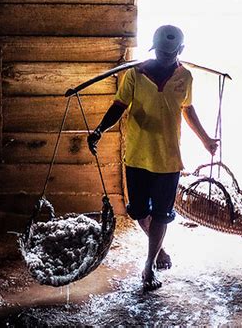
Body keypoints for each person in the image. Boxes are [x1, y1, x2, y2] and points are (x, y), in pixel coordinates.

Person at [87, 24, 218, 292]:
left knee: (161, 214)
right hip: (137, 154)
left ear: (180, 51)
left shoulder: (186, 78)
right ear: (153, 48)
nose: (164, 57)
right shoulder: (136, 73)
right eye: (160, 52)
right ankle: (158, 249)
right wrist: (100, 129)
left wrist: (205, 139)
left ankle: (149, 265)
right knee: (138, 212)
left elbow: (187, 109)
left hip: (168, 158)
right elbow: (119, 106)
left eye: (169, 54)